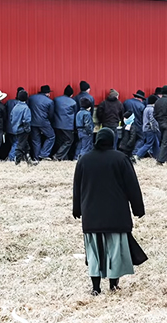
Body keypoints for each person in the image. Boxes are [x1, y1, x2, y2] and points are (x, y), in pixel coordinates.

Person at [73, 128, 145, 296]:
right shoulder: (120, 159)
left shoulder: (84, 160)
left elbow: (77, 188)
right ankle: (113, 285)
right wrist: (138, 209)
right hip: (116, 214)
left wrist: (77, 209)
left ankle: (96, 288)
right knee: (114, 250)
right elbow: (132, 186)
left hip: (91, 214)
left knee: (94, 252)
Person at [28, 85, 56, 161]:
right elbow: (51, 114)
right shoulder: (49, 101)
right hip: (43, 122)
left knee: (35, 140)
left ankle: (36, 157)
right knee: (51, 136)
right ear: (47, 93)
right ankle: (44, 154)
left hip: (32, 122)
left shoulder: (31, 98)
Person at [11, 90, 36, 166]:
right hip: (23, 130)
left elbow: (11, 117)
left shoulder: (15, 107)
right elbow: (26, 120)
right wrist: (27, 129)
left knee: (26, 145)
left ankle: (29, 161)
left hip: (16, 128)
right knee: (21, 145)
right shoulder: (26, 108)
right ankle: (17, 161)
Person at [53, 85, 78, 160]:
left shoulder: (56, 99)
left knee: (60, 140)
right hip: (67, 125)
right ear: (71, 94)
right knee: (69, 140)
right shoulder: (73, 102)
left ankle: (64, 158)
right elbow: (75, 113)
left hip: (56, 124)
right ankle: (58, 156)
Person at [134, 96, 160, 161]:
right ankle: (138, 155)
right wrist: (155, 128)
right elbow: (152, 120)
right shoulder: (152, 109)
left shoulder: (146, 108)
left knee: (155, 143)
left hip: (146, 128)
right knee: (149, 143)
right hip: (150, 129)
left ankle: (157, 156)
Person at [5, 87, 23, 161]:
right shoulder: (22, 106)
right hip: (17, 127)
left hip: (8, 127)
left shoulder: (9, 102)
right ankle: (11, 157)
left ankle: (15, 156)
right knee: (16, 143)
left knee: (13, 142)